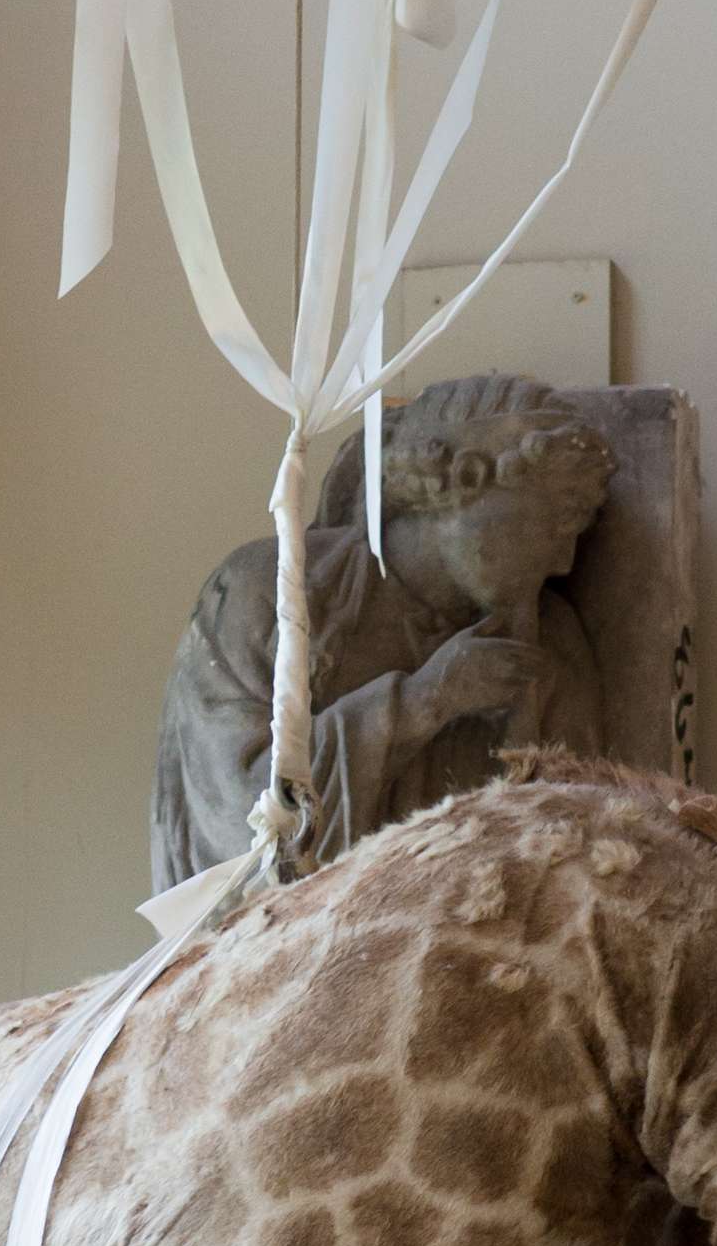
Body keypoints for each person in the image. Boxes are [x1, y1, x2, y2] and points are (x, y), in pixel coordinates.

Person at [150, 375, 616, 893]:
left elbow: (579, 854)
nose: (564, 559)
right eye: (553, 524)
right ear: (458, 483)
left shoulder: (553, 644)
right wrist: (424, 702)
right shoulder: (269, 596)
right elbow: (239, 835)